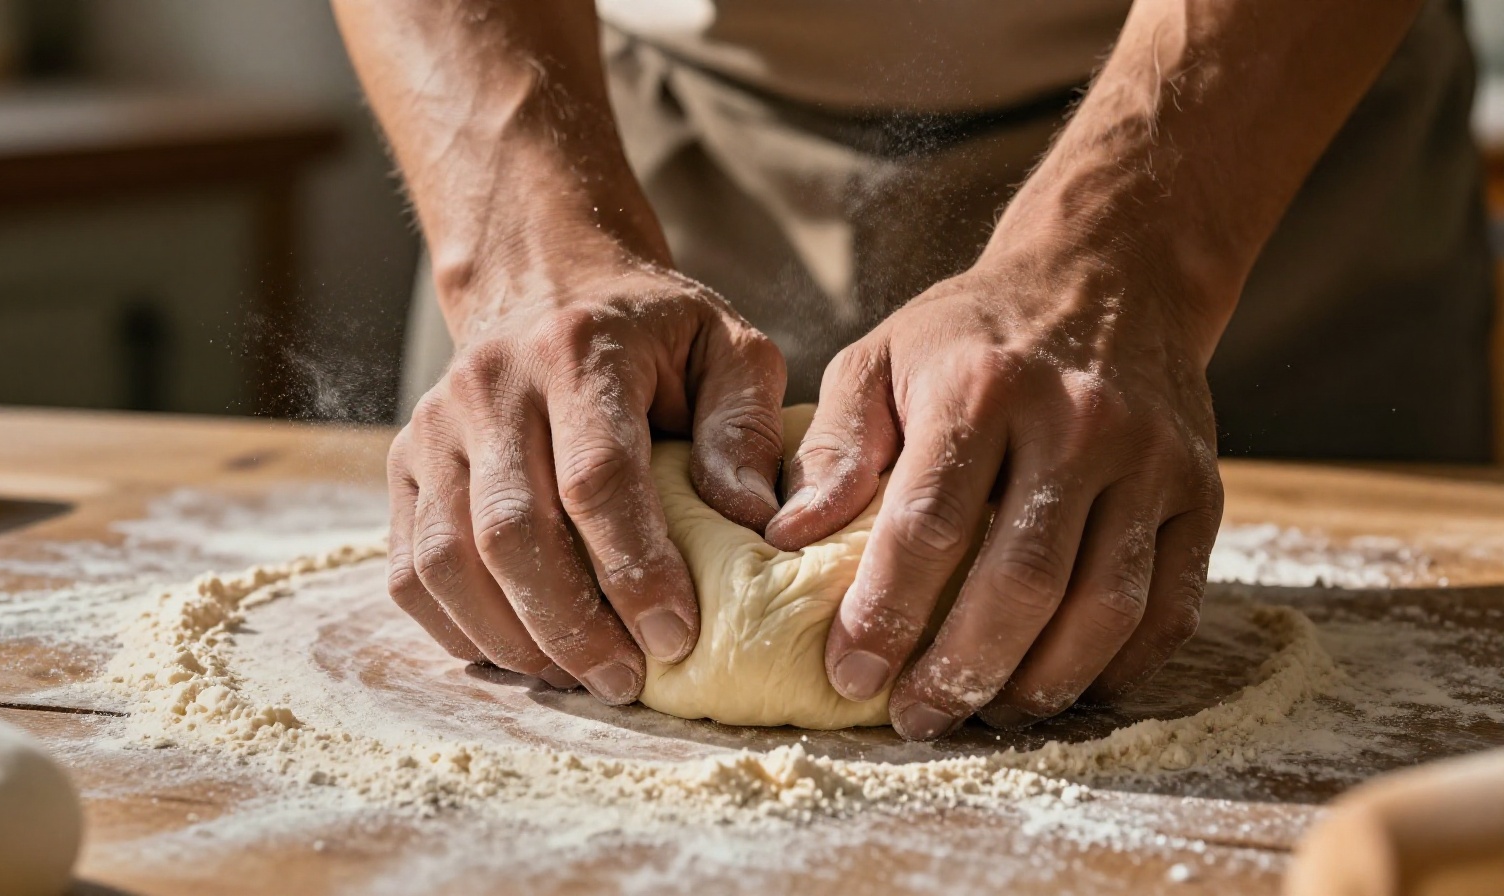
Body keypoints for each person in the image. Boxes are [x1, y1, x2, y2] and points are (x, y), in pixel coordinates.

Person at [332, 0, 1494, 740]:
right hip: (601, 112)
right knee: (557, 514)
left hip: (1253, 109)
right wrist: (524, 248)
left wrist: (1148, 240)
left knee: (1357, 713)